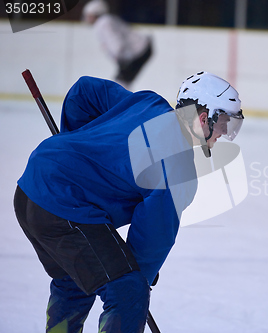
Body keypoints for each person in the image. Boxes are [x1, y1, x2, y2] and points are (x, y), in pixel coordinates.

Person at [14, 71, 244, 332]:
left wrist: (76, 142)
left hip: (30, 188)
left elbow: (84, 92)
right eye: (224, 122)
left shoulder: (148, 103)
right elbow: (150, 243)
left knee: (77, 279)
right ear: (204, 118)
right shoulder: (178, 169)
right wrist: (135, 278)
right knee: (129, 291)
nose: (225, 132)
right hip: (65, 208)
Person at [82, 0, 153, 89]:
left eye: (89, 15)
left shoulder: (103, 23)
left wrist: (120, 59)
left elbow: (116, 43)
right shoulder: (106, 20)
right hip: (141, 49)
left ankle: (125, 101)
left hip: (139, 50)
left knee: (121, 82)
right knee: (122, 82)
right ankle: (126, 100)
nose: (86, 19)